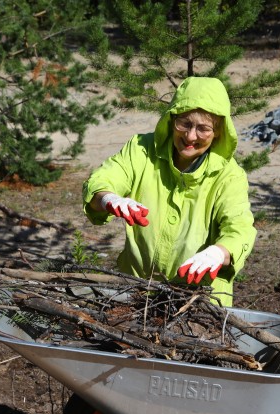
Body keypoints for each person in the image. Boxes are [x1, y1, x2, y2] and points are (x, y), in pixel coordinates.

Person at [82, 76, 256, 307]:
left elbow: (240, 228)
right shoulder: (141, 150)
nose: (190, 136)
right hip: (135, 292)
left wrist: (219, 252)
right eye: (184, 123)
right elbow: (105, 178)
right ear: (171, 119)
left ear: (219, 132)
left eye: (203, 128)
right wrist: (108, 198)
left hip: (199, 301)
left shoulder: (229, 175)